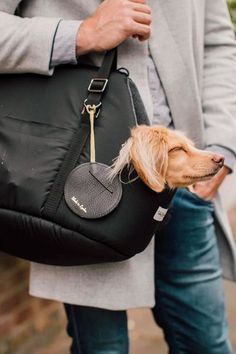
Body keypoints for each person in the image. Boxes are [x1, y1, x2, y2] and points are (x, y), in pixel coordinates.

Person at [0, 0, 236, 353]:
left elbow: (217, 42)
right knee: (102, 348)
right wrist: (79, 34)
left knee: (207, 345)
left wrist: (222, 143)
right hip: (83, 187)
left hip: (186, 185)